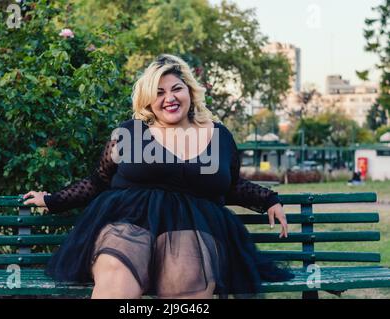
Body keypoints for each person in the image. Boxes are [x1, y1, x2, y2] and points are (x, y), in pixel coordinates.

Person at [23, 54, 293, 299]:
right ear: (149, 100)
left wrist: (268, 199)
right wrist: (52, 199)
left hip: (191, 229)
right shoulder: (129, 133)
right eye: (159, 92)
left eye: (176, 88)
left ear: (190, 91)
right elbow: (98, 180)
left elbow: (230, 184)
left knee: (187, 285)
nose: (169, 98)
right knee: (115, 278)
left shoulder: (219, 136)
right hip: (129, 223)